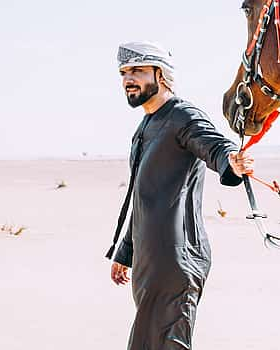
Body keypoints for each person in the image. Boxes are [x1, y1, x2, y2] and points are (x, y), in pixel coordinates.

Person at [105, 41, 254, 349]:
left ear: (160, 75)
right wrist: (126, 251)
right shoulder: (147, 124)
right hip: (150, 263)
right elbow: (144, 195)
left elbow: (215, 146)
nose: (128, 79)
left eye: (138, 71)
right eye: (124, 73)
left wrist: (231, 161)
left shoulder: (182, 117)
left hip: (176, 260)